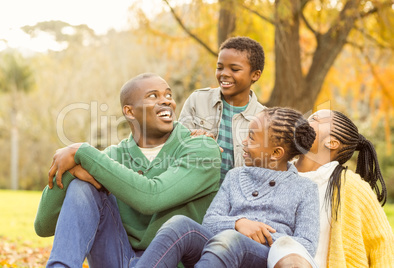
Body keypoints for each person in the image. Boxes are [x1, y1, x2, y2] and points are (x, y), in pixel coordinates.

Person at [34, 73, 222, 267]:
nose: (166, 101)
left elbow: (151, 197)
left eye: (168, 95)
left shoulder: (201, 148)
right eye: (153, 96)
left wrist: (82, 152)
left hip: (172, 261)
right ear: (130, 112)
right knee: (83, 186)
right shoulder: (114, 156)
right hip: (118, 257)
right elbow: (43, 226)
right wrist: (70, 172)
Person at [135, 107, 320, 268]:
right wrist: (238, 223)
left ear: (276, 153)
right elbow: (210, 222)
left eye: (252, 138)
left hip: (262, 257)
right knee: (179, 224)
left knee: (230, 240)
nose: (244, 142)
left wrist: (262, 235)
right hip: (220, 252)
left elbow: (307, 244)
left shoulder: (305, 188)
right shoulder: (235, 176)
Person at [269, 109, 394, 268]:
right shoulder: (273, 174)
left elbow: (382, 243)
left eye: (314, 119)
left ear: (331, 143)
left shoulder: (351, 186)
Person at [179, 36, 266, 182]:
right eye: (220, 67)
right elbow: (178, 148)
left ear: (255, 75)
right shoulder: (197, 100)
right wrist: (195, 139)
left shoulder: (264, 118)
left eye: (234, 69)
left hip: (238, 201)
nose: (224, 73)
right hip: (197, 196)